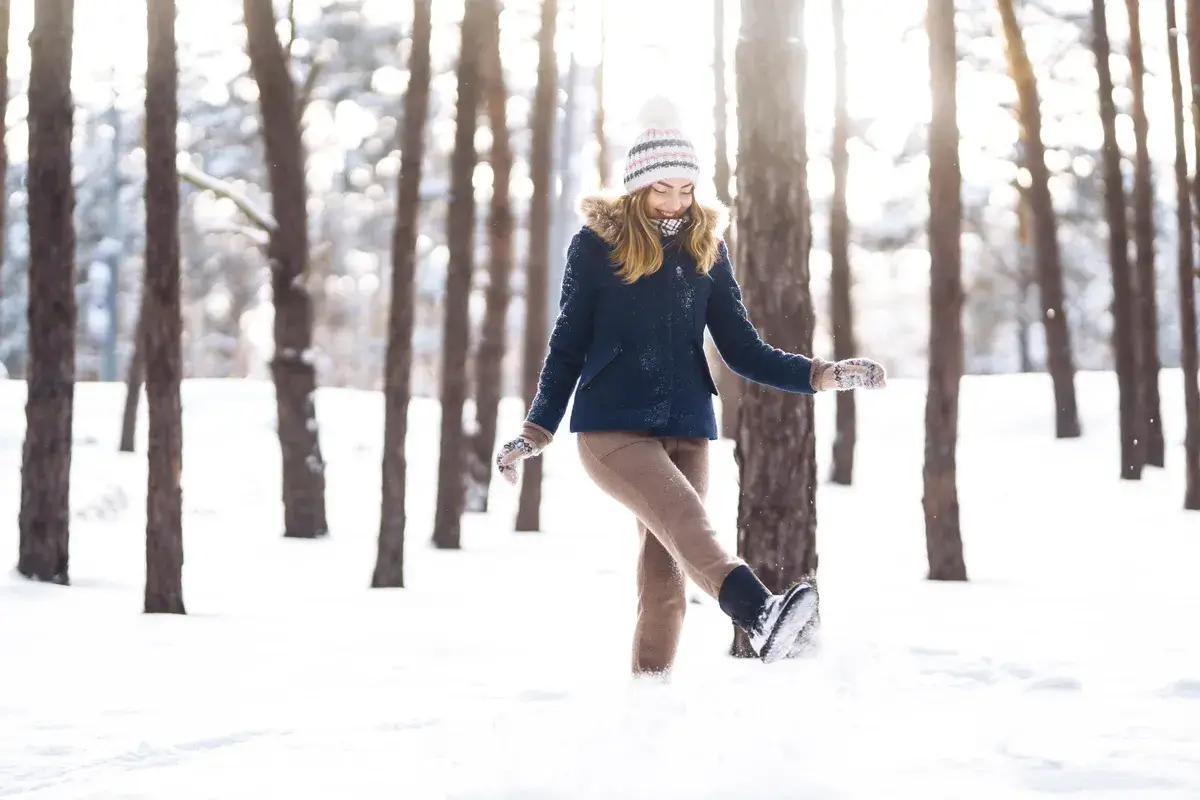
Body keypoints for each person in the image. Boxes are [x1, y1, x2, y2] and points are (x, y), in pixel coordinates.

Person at [495, 103, 887, 676]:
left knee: (666, 587)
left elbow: (742, 348)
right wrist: (536, 429)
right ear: (636, 188)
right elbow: (567, 343)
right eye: (662, 189)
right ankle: (758, 612)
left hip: (687, 427)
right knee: (687, 521)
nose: (676, 202)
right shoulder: (597, 246)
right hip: (612, 427)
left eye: (685, 189)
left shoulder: (707, 248)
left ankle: (649, 707)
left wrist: (821, 374)